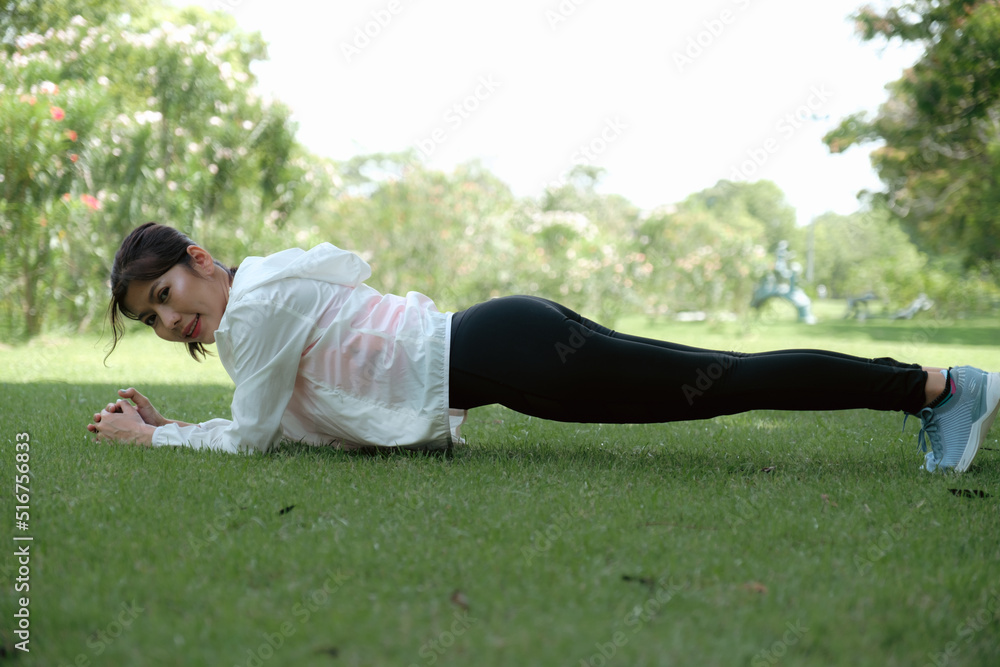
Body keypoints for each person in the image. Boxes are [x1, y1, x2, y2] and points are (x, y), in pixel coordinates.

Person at [88, 222, 1000, 473]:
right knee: (715, 382)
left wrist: (155, 438)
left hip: (511, 351)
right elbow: (274, 418)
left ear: (199, 263)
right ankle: (931, 390)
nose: (172, 324)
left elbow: (254, 439)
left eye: (166, 296)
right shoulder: (265, 296)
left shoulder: (251, 313)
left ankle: (939, 389)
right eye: (153, 319)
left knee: (720, 384)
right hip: (508, 338)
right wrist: (176, 424)